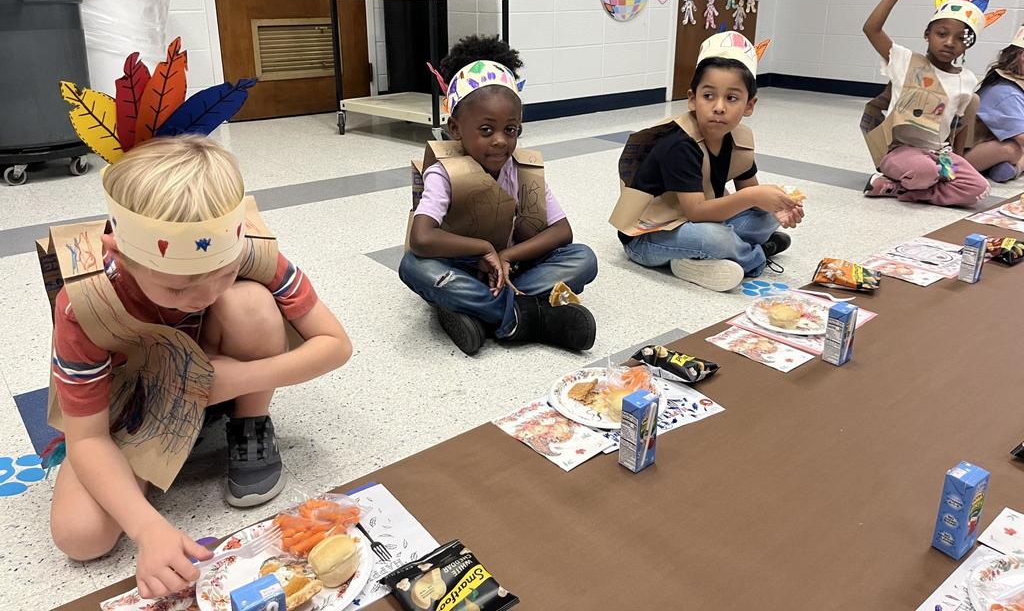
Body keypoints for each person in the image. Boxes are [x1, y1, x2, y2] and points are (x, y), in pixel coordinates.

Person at [48, 72, 351, 599]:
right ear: (122, 254)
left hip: (217, 377)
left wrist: (235, 380)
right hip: (132, 401)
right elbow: (88, 436)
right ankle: (164, 444)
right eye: (178, 287)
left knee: (252, 303)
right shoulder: (87, 300)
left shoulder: (248, 252)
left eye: (222, 272)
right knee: (81, 536)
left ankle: (248, 426)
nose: (204, 295)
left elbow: (335, 344)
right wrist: (149, 529)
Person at [399, 35, 598, 356]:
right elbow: (421, 238)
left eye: (511, 129)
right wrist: (484, 248)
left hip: (511, 268)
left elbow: (562, 232)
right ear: (455, 129)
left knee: (583, 258)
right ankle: (530, 316)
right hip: (459, 264)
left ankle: (478, 310)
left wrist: (506, 257)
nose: (501, 141)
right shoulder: (444, 173)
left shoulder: (520, 170)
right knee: (413, 266)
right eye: (486, 130)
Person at [610, 31, 803, 292]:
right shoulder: (680, 144)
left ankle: (692, 262)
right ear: (692, 99)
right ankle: (756, 256)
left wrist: (777, 208)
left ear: (749, 105)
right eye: (708, 96)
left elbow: (750, 196)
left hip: (696, 222)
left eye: (732, 98)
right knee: (715, 237)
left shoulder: (739, 138)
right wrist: (756, 197)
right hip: (648, 238)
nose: (719, 107)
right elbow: (696, 212)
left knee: (767, 217)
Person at [861, 0, 1003, 205]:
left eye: (961, 38)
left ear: (966, 46)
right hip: (900, 151)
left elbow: (958, 126)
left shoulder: (967, 79)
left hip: (940, 155)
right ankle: (903, 179)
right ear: (927, 34)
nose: (950, 42)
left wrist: (958, 162)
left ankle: (896, 189)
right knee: (924, 172)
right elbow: (871, 29)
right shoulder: (906, 62)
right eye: (942, 33)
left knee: (979, 189)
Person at [965, 25, 1024, 182]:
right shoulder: (1007, 92)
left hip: (986, 145)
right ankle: (1014, 167)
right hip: (964, 153)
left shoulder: (1014, 83)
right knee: (1014, 149)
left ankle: (1006, 167)